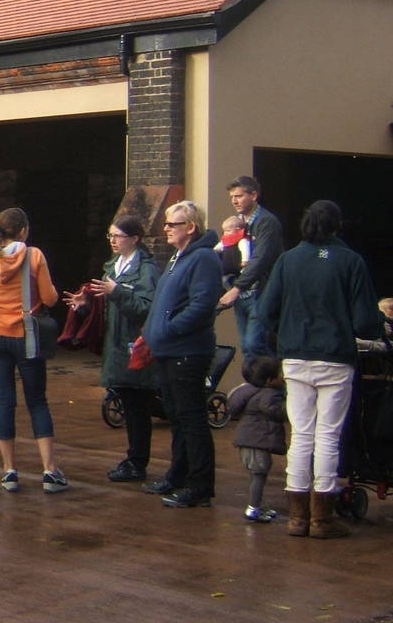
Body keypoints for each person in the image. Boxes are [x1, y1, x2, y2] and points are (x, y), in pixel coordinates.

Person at [253, 200, 381, 538]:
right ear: (338, 226)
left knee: (301, 435)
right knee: (328, 436)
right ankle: (322, 518)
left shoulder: (288, 260)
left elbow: (265, 311)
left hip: (295, 356)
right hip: (336, 357)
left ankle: (297, 517)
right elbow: (367, 322)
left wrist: (286, 330)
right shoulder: (351, 261)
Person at [0, 207, 67, 493]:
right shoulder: (33, 256)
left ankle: (9, 471)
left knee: (4, 400)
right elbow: (49, 297)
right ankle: (49, 471)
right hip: (28, 336)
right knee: (37, 400)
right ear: (23, 230)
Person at [141, 200, 223, 507]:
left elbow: (202, 305)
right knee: (176, 417)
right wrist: (150, 333)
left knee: (192, 419)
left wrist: (169, 329)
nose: (166, 229)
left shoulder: (202, 259)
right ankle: (178, 475)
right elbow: (164, 302)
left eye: (172, 224)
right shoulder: (179, 257)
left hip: (187, 351)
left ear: (191, 227)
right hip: (168, 349)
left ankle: (200, 485)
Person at [68, 214, 160, 483]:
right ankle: (133, 458)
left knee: (138, 406)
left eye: (118, 236)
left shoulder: (146, 270)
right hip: (116, 345)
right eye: (110, 235)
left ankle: (137, 460)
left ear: (134, 239)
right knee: (130, 403)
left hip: (134, 345)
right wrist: (84, 305)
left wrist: (116, 291)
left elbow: (145, 308)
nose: (112, 241)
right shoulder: (112, 266)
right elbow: (105, 308)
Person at [219, 176, 282, 353]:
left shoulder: (266, 222)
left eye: (238, 196)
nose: (234, 201)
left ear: (253, 195)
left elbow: (261, 259)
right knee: (246, 346)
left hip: (260, 292)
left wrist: (236, 288)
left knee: (256, 344)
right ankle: (255, 380)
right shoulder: (236, 223)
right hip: (242, 293)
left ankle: (268, 380)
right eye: (232, 197)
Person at [228, 355, 288, 523]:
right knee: (259, 475)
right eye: (279, 375)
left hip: (248, 440)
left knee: (256, 474)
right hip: (257, 441)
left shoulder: (248, 391)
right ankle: (253, 508)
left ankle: (257, 505)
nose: (282, 378)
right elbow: (277, 411)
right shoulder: (269, 395)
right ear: (269, 380)